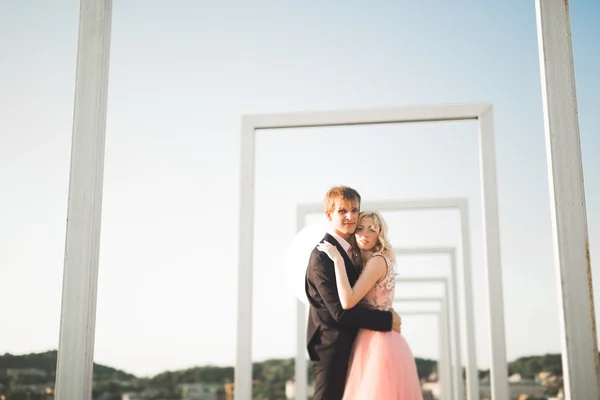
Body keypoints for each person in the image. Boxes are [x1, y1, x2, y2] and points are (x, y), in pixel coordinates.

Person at [305, 186, 402, 400]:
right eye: (342, 211)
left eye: (354, 210)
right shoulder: (323, 256)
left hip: (356, 344)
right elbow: (341, 311)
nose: (350, 217)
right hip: (332, 347)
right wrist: (387, 319)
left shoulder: (354, 251)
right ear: (329, 214)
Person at [317, 210, 424, 400]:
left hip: (379, 342)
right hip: (378, 337)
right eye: (360, 228)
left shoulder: (376, 262)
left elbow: (348, 301)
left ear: (380, 234)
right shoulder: (374, 262)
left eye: (372, 229)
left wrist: (337, 260)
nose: (365, 234)